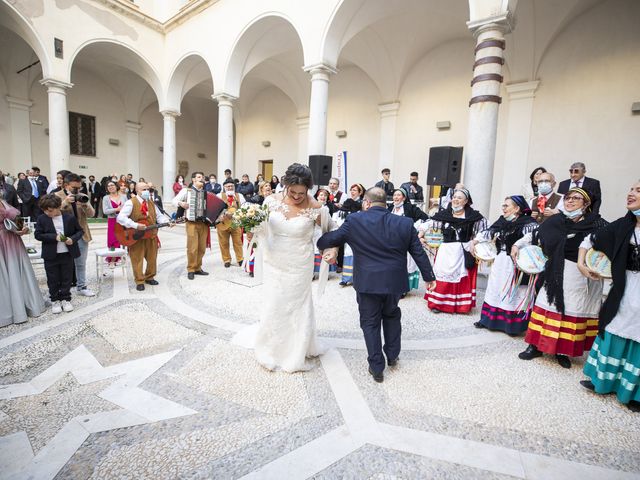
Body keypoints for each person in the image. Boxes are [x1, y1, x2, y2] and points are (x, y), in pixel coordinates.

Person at [319, 187, 436, 382]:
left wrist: (325, 244)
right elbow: (419, 253)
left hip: (367, 282)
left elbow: (329, 239)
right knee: (391, 315)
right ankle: (392, 355)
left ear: (366, 202)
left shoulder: (355, 221)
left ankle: (376, 366)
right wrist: (429, 277)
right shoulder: (405, 223)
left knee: (370, 322)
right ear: (386, 203)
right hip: (394, 281)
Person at [233, 163, 331, 372]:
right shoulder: (271, 201)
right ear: (285, 186)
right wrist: (252, 229)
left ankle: (296, 348)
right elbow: (263, 226)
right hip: (273, 261)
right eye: (292, 192)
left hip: (299, 264)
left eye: (301, 193)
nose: (297, 197)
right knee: (274, 302)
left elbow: (331, 232)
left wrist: (332, 249)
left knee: (296, 304)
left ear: (309, 189)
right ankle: (271, 345)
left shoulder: (315, 208)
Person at [515, 188, 607, 368]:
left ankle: (562, 351)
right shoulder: (556, 221)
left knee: (570, 310)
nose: (570, 201)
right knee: (546, 307)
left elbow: (608, 245)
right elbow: (535, 234)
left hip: (577, 276)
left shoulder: (596, 224)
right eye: (567, 198)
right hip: (553, 272)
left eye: (576, 198)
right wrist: (518, 245)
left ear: (586, 204)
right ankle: (535, 346)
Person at [579, 181, 640, 412]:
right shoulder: (623, 226)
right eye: (631, 188)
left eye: (638, 190)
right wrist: (581, 263)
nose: (630, 193)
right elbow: (590, 240)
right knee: (613, 327)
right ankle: (602, 382)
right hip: (623, 290)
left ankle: (633, 393)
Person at [471, 196, 538, 334]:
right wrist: (476, 241)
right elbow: (488, 232)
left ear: (517, 208)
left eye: (507, 206)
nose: (503, 208)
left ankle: (511, 326)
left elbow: (532, 240)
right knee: (495, 288)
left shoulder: (529, 224)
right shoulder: (502, 221)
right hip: (500, 260)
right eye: (503, 205)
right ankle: (488, 320)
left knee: (512, 291)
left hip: (516, 262)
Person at [417, 188, 486, 314]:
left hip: (463, 251)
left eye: (459, 198)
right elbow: (429, 224)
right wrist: (421, 233)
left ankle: (459, 306)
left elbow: (485, 231)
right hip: (446, 251)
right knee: (442, 276)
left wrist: (474, 242)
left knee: (460, 277)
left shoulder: (473, 216)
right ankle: (438, 304)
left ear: (466, 201)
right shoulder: (445, 215)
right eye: (454, 197)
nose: (456, 200)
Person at [0, 189, 46, 325]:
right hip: (2, 242)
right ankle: (8, 313)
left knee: (18, 272)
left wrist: (23, 228)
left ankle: (24, 306)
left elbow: (15, 218)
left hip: (13, 240)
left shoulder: (4, 201)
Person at [117, 182, 173, 291]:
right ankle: (139, 280)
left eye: (148, 189)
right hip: (136, 237)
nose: (146, 191)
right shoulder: (130, 202)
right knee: (137, 259)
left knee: (152, 258)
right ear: (137, 190)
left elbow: (159, 217)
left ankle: (149, 277)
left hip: (151, 235)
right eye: (143, 189)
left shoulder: (151, 203)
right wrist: (135, 225)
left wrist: (167, 222)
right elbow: (121, 217)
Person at [34, 194, 84, 314]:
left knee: (66, 277)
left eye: (50, 210)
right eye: (45, 210)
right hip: (50, 254)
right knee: (52, 278)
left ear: (58, 207)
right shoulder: (42, 218)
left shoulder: (69, 217)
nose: (47, 213)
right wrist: (54, 237)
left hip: (67, 253)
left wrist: (72, 239)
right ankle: (55, 300)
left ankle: (66, 299)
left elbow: (80, 231)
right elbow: (38, 235)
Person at [56, 173, 95, 297]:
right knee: (63, 263)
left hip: (82, 234)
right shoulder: (56, 196)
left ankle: (82, 287)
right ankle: (63, 289)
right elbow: (52, 212)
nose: (77, 190)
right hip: (64, 235)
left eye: (79, 187)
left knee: (81, 263)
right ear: (66, 185)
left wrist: (85, 205)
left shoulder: (82, 196)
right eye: (74, 187)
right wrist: (65, 202)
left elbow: (92, 214)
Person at [389, 187, 429, 295]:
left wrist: (416, 231)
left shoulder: (410, 208)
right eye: (395, 195)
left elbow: (426, 218)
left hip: (405, 241)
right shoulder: (390, 208)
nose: (396, 197)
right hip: (391, 241)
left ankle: (403, 289)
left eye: (398, 195)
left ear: (404, 197)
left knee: (405, 264)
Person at [173, 172, 210, 279]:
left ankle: (198, 267)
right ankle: (191, 269)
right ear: (193, 179)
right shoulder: (186, 191)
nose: (201, 179)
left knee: (202, 248)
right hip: (191, 223)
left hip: (203, 223)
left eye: (202, 177)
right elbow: (174, 201)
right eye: (199, 177)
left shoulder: (206, 193)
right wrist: (181, 203)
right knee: (192, 248)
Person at [216, 178, 245, 267]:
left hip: (235, 222)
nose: (230, 188)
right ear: (224, 187)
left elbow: (244, 208)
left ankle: (240, 259)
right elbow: (215, 209)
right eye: (228, 186)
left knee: (238, 242)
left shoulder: (239, 196)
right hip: (223, 223)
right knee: (223, 243)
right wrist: (224, 213)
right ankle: (226, 260)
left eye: (232, 186)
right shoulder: (219, 195)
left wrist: (236, 214)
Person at [102, 181, 128, 268]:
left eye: (112, 185)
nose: (110, 187)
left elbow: (128, 207)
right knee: (112, 239)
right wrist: (116, 209)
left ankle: (121, 255)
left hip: (122, 220)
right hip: (112, 220)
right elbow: (105, 211)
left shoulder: (124, 196)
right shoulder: (106, 198)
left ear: (116, 186)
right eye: (108, 186)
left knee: (122, 238)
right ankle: (112, 260)